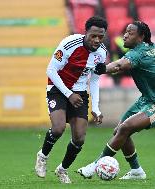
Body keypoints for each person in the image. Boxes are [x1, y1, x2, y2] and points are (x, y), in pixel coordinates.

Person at [77, 21, 155, 179]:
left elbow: (119, 65)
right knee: (120, 131)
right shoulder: (154, 48)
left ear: (141, 36)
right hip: (147, 100)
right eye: (125, 32)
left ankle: (95, 165)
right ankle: (137, 171)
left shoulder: (137, 53)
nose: (125, 35)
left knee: (124, 128)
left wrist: (101, 68)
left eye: (130, 33)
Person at [34, 16, 108, 184]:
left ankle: (62, 170)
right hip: (58, 89)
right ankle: (43, 156)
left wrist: (95, 108)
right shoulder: (69, 43)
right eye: (93, 36)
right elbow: (51, 70)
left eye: (101, 37)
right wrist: (68, 94)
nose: (97, 40)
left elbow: (95, 80)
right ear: (86, 32)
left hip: (80, 93)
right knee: (58, 128)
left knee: (79, 138)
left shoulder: (102, 53)